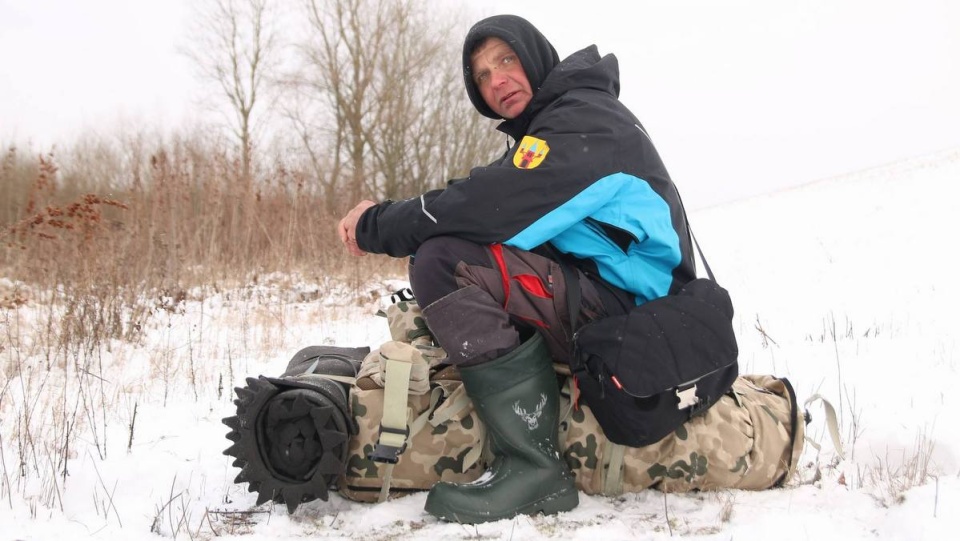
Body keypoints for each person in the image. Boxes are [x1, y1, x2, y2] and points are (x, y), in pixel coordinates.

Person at [337, 14, 695, 523]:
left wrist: (377, 223)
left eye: (505, 60)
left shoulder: (584, 119)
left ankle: (534, 468)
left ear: (536, 57)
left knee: (444, 259)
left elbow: (489, 204)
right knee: (451, 250)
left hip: (640, 319)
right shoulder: (555, 129)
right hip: (620, 301)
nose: (495, 80)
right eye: (481, 75)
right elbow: (489, 194)